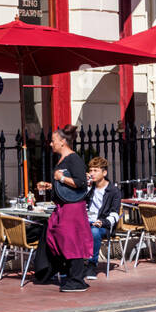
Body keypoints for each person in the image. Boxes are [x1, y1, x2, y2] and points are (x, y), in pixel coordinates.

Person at [33, 125, 93, 293]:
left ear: (63, 141)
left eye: (53, 141)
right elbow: (66, 186)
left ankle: (77, 280)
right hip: (63, 207)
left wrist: (62, 177)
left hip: (73, 209)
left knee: (72, 241)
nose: (51, 144)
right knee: (55, 237)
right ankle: (61, 271)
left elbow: (80, 182)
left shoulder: (74, 159)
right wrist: (51, 185)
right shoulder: (62, 159)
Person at [85, 156, 122, 280]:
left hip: (104, 226)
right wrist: (86, 186)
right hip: (87, 222)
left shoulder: (113, 191)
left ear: (104, 173)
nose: (92, 174)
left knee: (94, 231)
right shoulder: (90, 189)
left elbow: (115, 214)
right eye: (90, 170)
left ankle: (91, 264)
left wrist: (103, 222)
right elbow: (80, 203)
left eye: (95, 170)